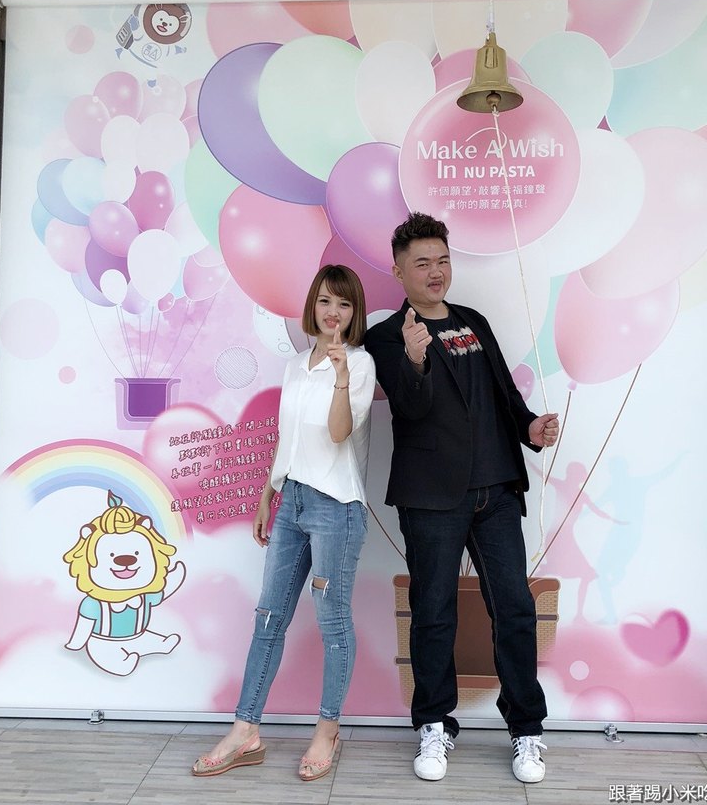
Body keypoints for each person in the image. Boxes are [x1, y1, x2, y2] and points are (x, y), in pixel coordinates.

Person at [364, 213, 559, 785]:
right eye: (422, 263)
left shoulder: (473, 322)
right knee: (433, 613)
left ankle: (526, 728)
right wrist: (415, 359)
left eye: (442, 260)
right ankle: (433, 723)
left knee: (515, 608)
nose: (436, 272)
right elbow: (409, 409)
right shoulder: (386, 336)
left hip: (495, 489)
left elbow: (503, 393)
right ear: (399, 271)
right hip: (431, 497)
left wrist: (529, 428)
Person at [192, 264, 376, 782]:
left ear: (355, 312)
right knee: (269, 616)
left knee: (332, 620)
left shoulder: (361, 364)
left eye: (343, 304)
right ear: (312, 306)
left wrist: (341, 377)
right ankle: (245, 730)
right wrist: (266, 495)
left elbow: (338, 434)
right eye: (325, 301)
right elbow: (286, 437)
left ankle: (328, 730)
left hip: (336, 507)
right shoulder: (296, 365)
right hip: (291, 500)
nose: (333, 312)